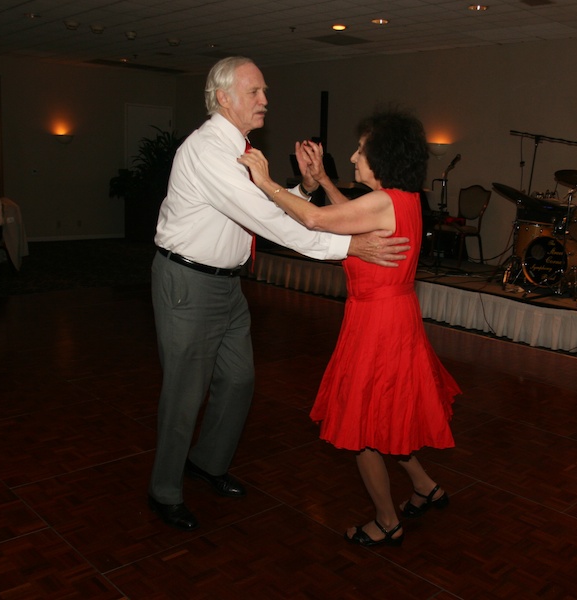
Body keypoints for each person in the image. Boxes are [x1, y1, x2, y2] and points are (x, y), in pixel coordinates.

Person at [148, 56, 411, 532]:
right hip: (188, 282)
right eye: (255, 92)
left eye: (264, 91)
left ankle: (207, 463)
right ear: (223, 98)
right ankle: (164, 490)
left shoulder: (240, 151)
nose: (265, 100)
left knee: (239, 380)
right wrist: (348, 246)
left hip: (226, 284)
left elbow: (263, 205)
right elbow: (267, 218)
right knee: (185, 393)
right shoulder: (209, 151)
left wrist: (305, 189)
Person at [239, 107, 460, 547]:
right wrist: (322, 181)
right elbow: (354, 214)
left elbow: (317, 220)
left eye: (361, 150)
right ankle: (424, 487)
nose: (355, 157)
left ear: (384, 155)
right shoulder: (404, 199)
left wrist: (264, 184)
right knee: (391, 415)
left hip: (377, 325)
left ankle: (386, 521)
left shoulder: (384, 203)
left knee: (363, 429)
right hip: (395, 319)